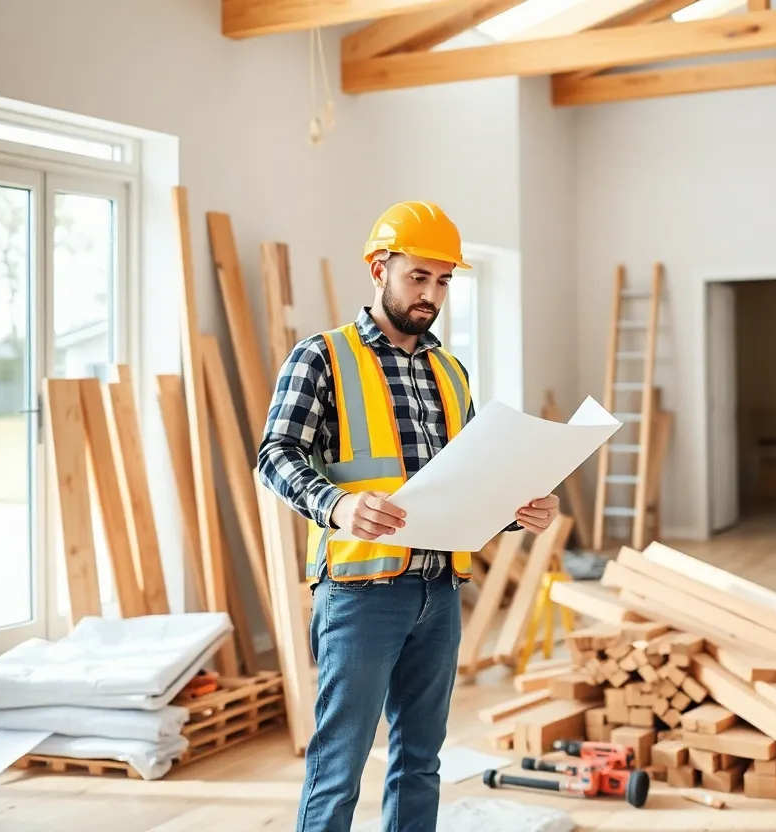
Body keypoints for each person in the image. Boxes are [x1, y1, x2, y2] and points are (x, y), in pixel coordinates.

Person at [257, 200, 559, 832]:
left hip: (439, 591)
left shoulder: (451, 371)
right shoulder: (322, 357)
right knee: (338, 766)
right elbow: (274, 456)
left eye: (443, 280)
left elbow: (471, 482)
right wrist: (336, 505)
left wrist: (518, 509)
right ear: (379, 268)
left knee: (421, 761)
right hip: (361, 594)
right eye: (418, 276)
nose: (431, 294)